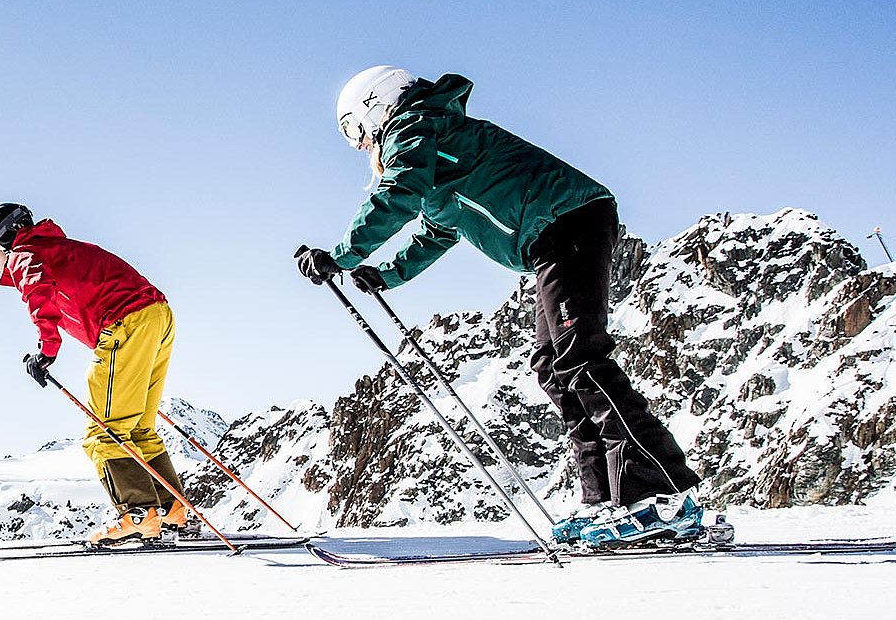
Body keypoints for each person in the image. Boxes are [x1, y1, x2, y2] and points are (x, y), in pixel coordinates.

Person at [295, 66, 705, 546]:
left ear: (374, 106)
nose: (359, 144)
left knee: (583, 360)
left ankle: (662, 496)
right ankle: (606, 501)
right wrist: (387, 274)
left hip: (567, 222)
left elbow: (398, 195)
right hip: (551, 239)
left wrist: (342, 256)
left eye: (352, 130)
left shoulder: (416, 126)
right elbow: (439, 230)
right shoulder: (433, 147)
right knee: (554, 367)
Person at [0, 203, 191, 545]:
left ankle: (138, 515)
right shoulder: (55, 249)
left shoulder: (24, 254)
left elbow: (38, 296)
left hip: (127, 323)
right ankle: (171, 510)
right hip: (156, 317)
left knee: (104, 433)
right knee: (138, 429)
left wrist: (46, 352)